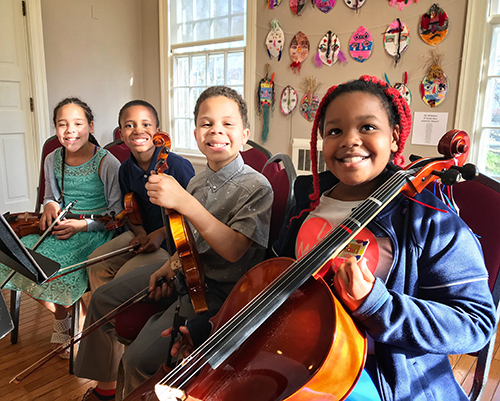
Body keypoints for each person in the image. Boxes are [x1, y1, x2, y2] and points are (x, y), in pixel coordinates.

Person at [162, 75, 497, 401]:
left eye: (367, 127)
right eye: (335, 130)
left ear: (395, 137)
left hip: (385, 378)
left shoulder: (429, 218)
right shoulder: (307, 206)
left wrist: (378, 305)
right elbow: (275, 289)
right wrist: (215, 330)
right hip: (295, 357)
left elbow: (476, 324)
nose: (350, 139)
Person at [75, 86, 273, 401]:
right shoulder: (196, 181)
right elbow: (187, 242)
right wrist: (169, 266)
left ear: (245, 134)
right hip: (184, 272)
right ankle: (105, 388)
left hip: (216, 296)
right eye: (207, 124)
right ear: (196, 134)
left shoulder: (256, 186)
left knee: (137, 359)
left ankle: (138, 391)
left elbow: (235, 250)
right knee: (101, 298)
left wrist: (183, 201)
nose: (216, 130)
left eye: (228, 124)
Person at [0, 97, 123, 358]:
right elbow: (50, 196)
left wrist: (82, 226)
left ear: (90, 126)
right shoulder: (52, 159)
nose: (70, 131)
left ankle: (72, 321)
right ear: (55, 128)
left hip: (95, 232)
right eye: (62, 124)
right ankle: (64, 316)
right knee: (14, 260)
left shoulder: (107, 162)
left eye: (78, 123)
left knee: (59, 271)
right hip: (61, 228)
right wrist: (50, 206)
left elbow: (115, 213)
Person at [86, 100, 195, 293]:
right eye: (130, 125)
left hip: (174, 242)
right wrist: (141, 233)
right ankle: (108, 318)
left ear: (158, 132)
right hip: (143, 235)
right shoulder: (125, 170)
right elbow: (130, 212)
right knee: (95, 263)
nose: (138, 130)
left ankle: (120, 315)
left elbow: (195, 215)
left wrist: (160, 234)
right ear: (121, 134)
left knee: (122, 278)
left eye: (146, 124)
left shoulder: (178, 166)